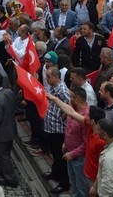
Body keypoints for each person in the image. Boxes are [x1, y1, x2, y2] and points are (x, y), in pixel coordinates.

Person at [43, 66, 71, 194]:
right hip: (51, 127)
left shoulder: (62, 90)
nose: (47, 79)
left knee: (59, 157)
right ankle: (55, 173)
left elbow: (70, 104)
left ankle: (64, 182)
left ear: (56, 77)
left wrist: (64, 114)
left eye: (49, 77)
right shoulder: (55, 88)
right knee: (55, 155)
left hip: (58, 129)